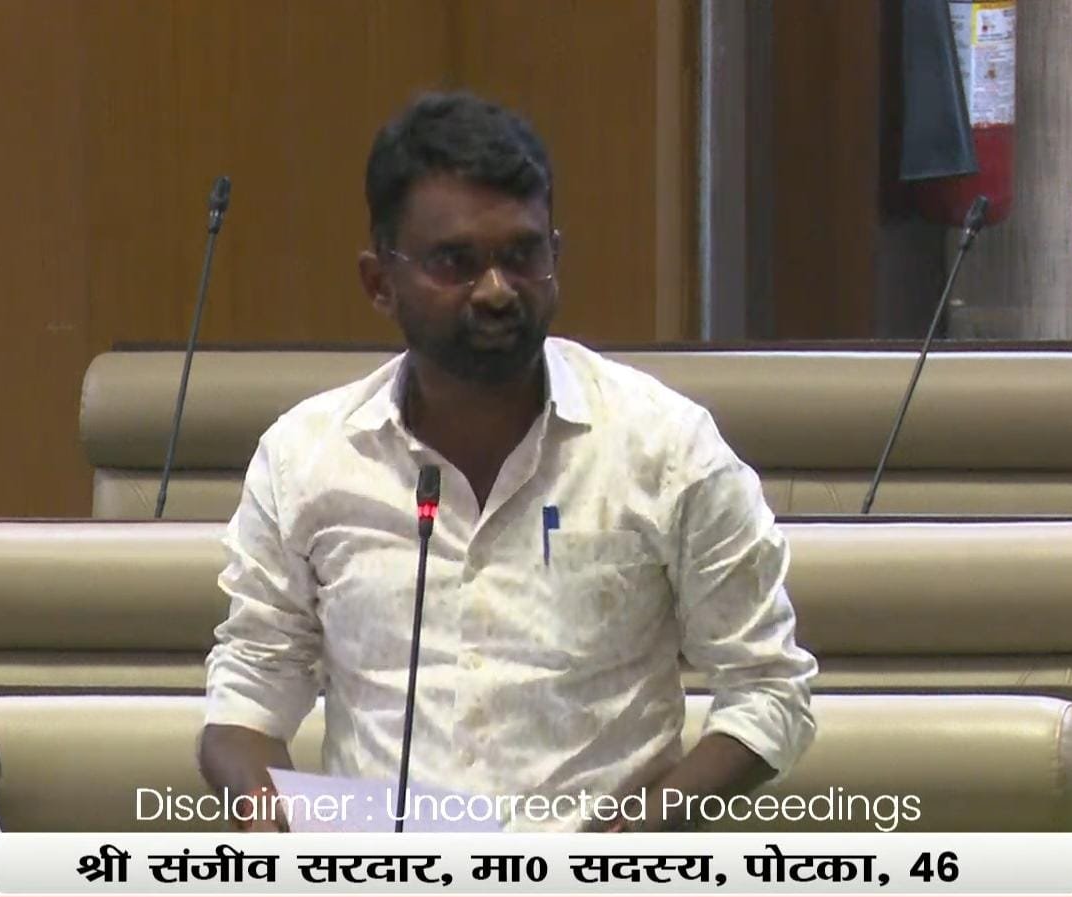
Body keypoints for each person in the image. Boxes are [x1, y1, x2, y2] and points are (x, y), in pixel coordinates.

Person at [199, 91, 817, 833]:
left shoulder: (664, 447)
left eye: (523, 256)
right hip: (382, 879)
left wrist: (640, 836)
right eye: (454, 263)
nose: (496, 291)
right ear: (379, 283)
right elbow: (249, 695)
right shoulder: (307, 458)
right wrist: (269, 819)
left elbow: (768, 691)